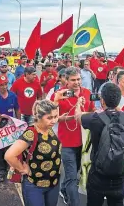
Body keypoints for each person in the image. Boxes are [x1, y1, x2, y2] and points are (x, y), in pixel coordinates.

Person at [76, 82, 124, 206]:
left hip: (98, 175)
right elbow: (118, 111)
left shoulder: (95, 118)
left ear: (102, 101)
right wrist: (114, 104)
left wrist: (78, 104)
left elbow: (78, 116)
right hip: (119, 176)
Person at [51, 67, 96, 206]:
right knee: (72, 178)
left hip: (83, 142)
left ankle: (63, 189)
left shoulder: (87, 92)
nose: (76, 82)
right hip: (67, 143)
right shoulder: (59, 94)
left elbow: (92, 111)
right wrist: (72, 116)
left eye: (78, 79)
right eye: (73, 80)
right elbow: (54, 118)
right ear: (66, 81)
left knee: (76, 172)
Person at [5, 99, 61, 206]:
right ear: (39, 117)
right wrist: (22, 169)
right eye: (49, 118)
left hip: (53, 184)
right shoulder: (31, 133)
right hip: (34, 186)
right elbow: (9, 155)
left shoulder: (49, 128)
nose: (54, 121)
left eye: (55, 116)